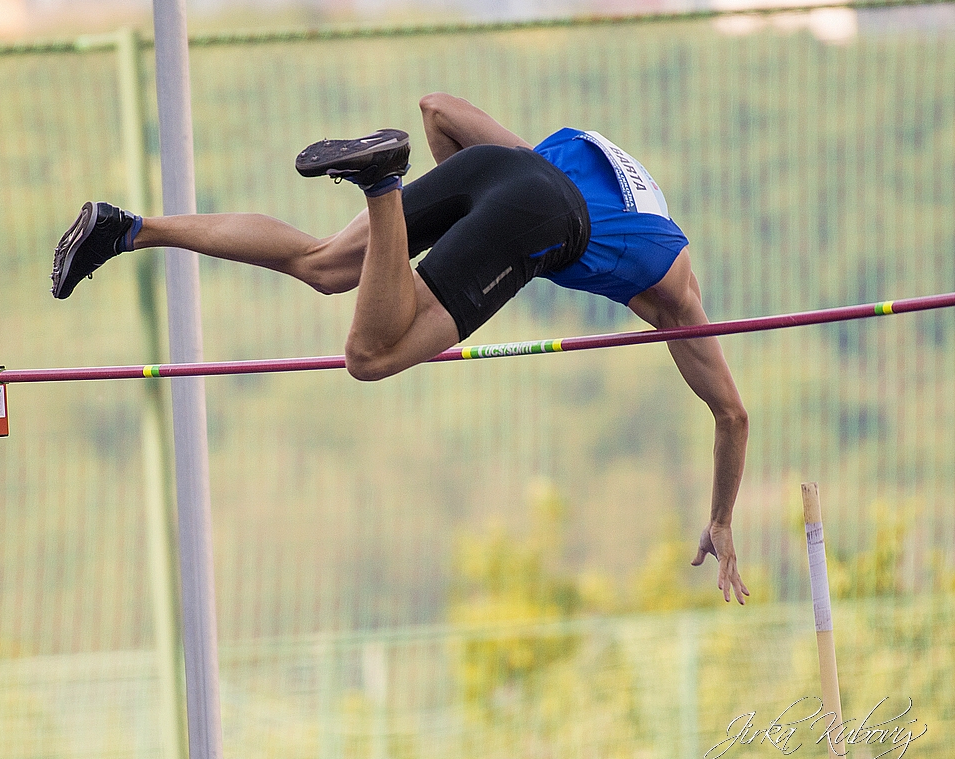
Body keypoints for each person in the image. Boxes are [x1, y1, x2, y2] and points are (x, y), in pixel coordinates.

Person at [50, 92, 751, 604]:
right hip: (538, 218)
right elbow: (731, 416)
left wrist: (458, 232)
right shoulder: (678, 298)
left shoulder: (618, 190)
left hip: (499, 171)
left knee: (323, 265)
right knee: (371, 357)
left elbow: (438, 109)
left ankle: (127, 229)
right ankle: (382, 181)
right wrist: (720, 518)